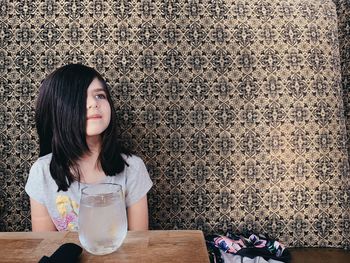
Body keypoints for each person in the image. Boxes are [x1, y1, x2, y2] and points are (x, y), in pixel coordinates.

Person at [25, 64, 152, 232]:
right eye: (80, 98)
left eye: (100, 95)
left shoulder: (133, 168)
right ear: (57, 110)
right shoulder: (41, 173)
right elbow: (45, 245)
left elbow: (139, 242)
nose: (93, 103)